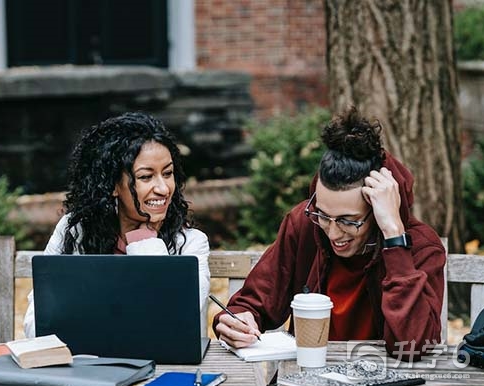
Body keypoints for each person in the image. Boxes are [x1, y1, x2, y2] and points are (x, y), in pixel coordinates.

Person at [213, 106, 445, 361]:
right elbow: (255, 301)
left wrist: (393, 235)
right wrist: (236, 319)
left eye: (349, 221)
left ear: (378, 208)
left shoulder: (421, 247)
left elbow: (414, 346)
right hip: (307, 379)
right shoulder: (303, 224)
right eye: (323, 215)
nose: (334, 233)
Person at [24, 112, 210, 338]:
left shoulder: (190, 244)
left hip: (166, 369)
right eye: (146, 177)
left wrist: (145, 242)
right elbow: (37, 324)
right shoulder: (75, 231)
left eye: (168, 173)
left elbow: (172, 324)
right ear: (112, 185)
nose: (163, 188)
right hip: (87, 366)